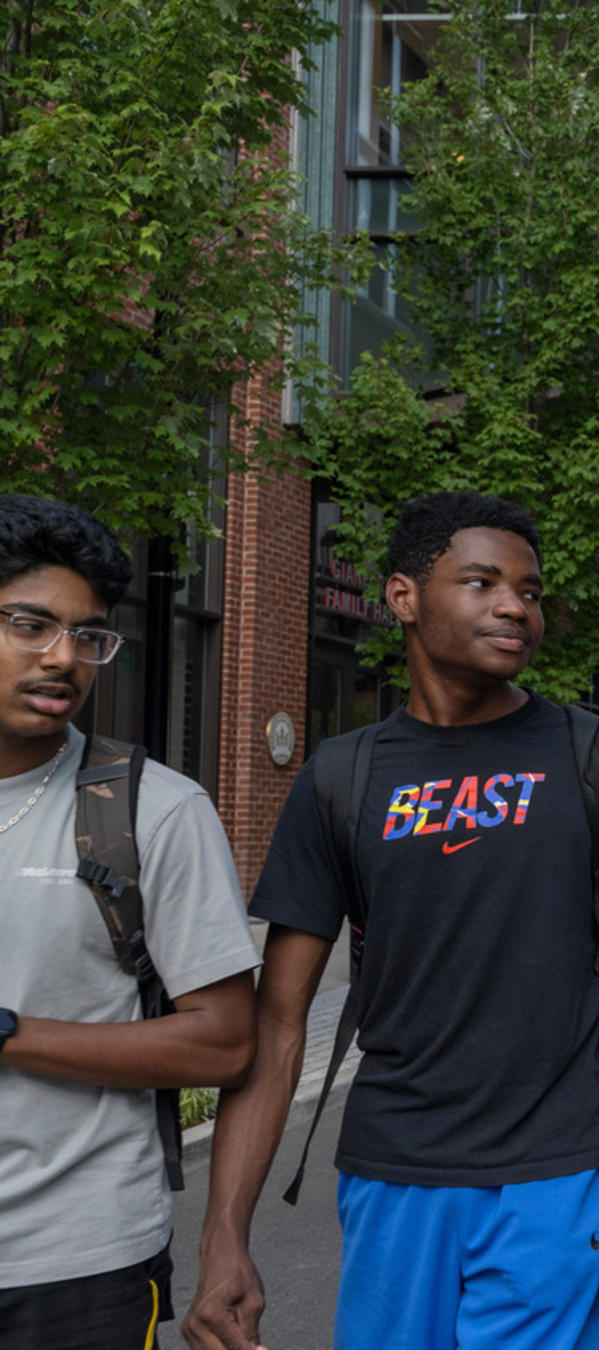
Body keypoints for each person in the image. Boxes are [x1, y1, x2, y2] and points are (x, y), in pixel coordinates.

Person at [184, 493, 599, 1350]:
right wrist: (224, 1235)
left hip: (556, 1171)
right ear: (404, 597)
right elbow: (279, 1021)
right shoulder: (341, 778)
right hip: (394, 1168)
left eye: (529, 591)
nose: (513, 607)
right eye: (482, 582)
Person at [0, 496, 259, 1348]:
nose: (64, 658)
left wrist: (7, 1033)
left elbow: (222, 1042)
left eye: (88, 636)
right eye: (32, 625)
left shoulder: (157, 809)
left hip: (74, 1265)